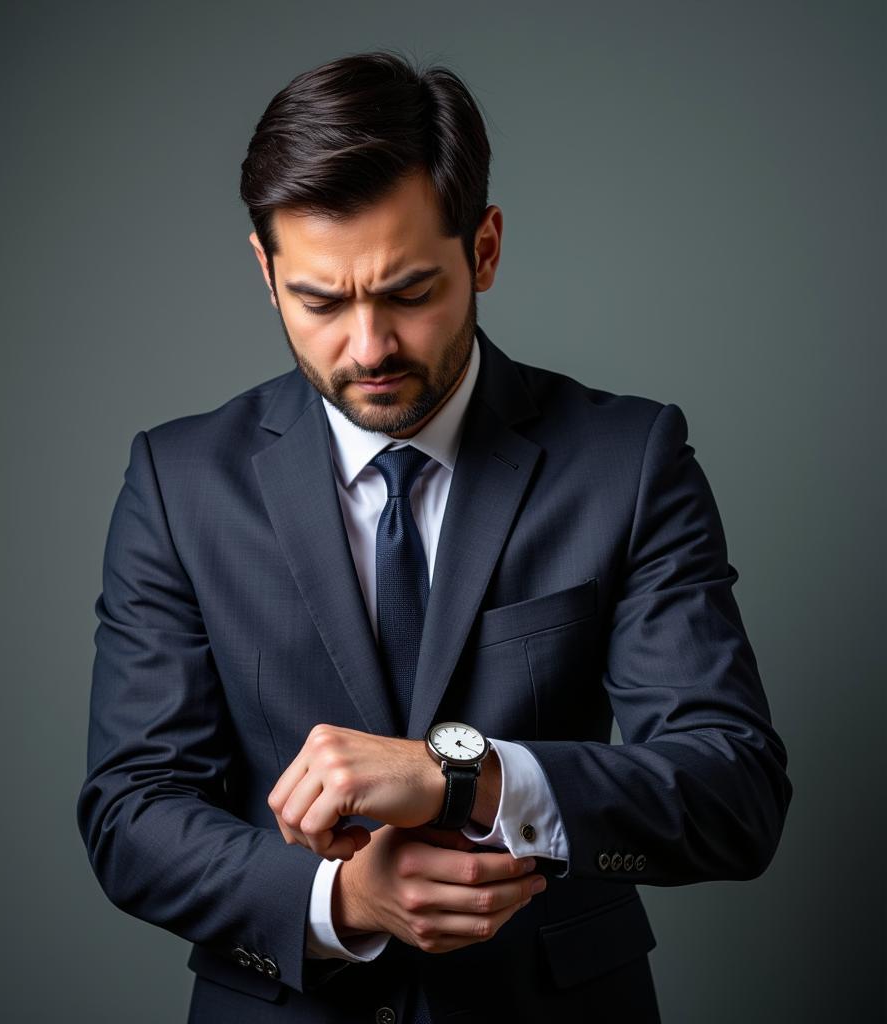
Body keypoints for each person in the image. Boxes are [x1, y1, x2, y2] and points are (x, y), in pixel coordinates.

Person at [76, 51, 792, 1024]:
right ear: (265, 270)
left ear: (483, 249)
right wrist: (338, 903)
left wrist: (469, 776)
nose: (367, 347)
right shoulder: (178, 481)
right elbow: (130, 811)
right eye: (320, 301)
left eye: (408, 292)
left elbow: (732, 795)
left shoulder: (627, 459)